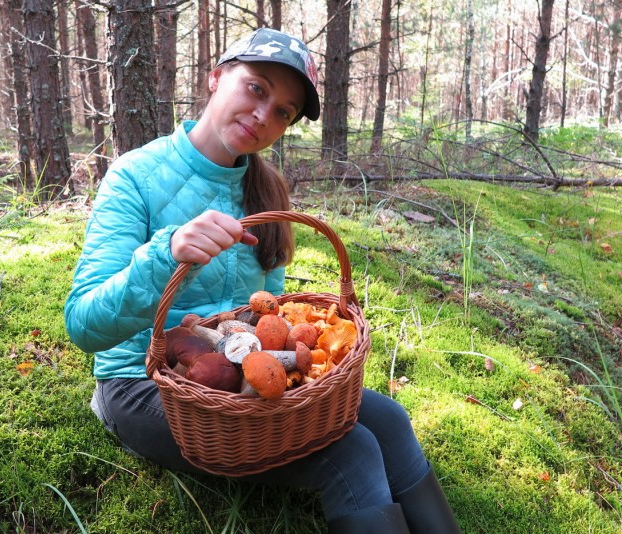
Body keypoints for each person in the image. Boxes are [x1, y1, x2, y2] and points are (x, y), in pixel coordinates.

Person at [65, 27, 461, 533]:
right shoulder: (134, 176)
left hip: (240, 381)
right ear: (215, 77)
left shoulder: (267, 191)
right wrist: (165, 255)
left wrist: (289, 375)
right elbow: (83, 326)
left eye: (283, 111)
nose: (263, 115)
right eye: (257, 88)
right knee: (355, 451)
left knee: (390, 421)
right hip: (146, 385)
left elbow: (267, 314)